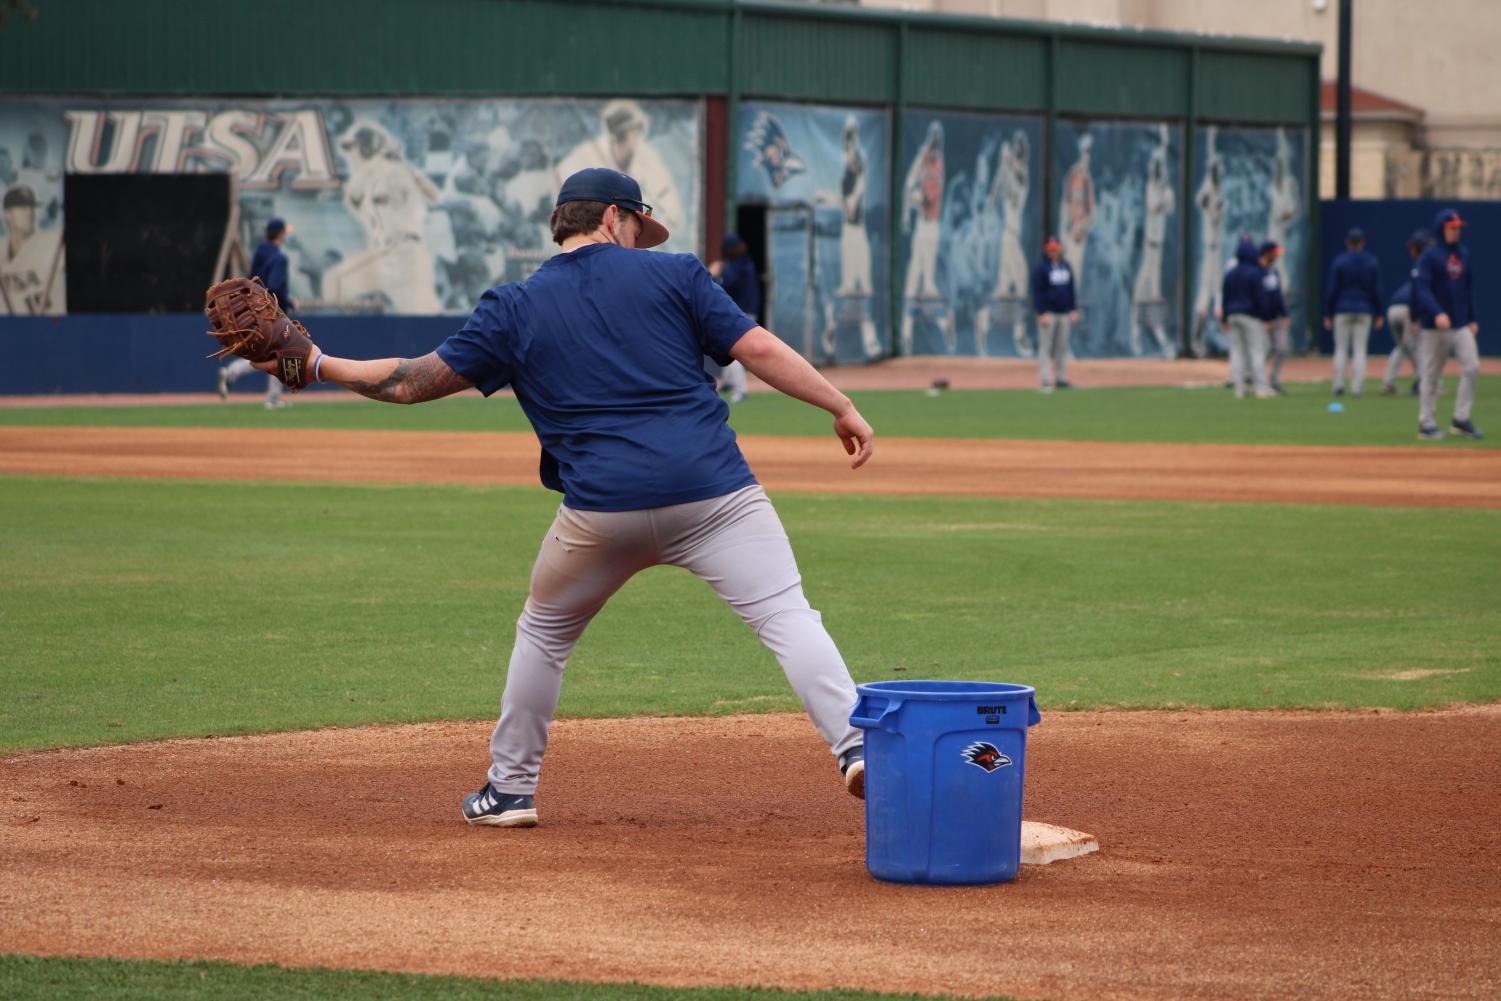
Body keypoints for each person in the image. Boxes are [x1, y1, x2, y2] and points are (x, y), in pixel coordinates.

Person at [250, 168, 875, 826]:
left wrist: (317, 364)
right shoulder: (676, 274)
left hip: (601, 510)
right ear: (613, 216)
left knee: (544, 633)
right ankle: (855, 742)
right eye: (638, 225)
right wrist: (839, 404)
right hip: (714, 494)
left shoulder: (515, 305)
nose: (640, 238)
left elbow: (410, 382)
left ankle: (510, 790)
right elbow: (759, 349)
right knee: (786, 614)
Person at [1412, 208, 1483, 440]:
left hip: (1460, 323)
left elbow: (1469, 287)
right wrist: (1436, 313)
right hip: (1435, 325)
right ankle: (1426, 423)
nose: (1455, 232)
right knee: (1431, 375)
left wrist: (1472, 317)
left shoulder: (1464, 254)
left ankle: (1460, 419)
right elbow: (1422, 289)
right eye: (1452, 228)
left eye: (1458, 228)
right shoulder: (1430, 256)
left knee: (1472, 367)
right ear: (1442, 229)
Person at [219, 218, 296, 409]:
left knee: (271, 354)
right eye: (284, 231)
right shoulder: (279, 258)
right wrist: (289, 303)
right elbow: (276, 287)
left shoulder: (260, 253)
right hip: (273, 313)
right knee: (280, 354)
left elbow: (251, 282)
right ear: (280, 234)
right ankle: (272, 398)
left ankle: (233, 373)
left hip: (255, 310)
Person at [822, 116, 881, 360]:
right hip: (850, 233)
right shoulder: (847, 171)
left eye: (853, 138)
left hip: (858, 232)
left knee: (863, 288)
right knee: (848, 289)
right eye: (848, 139)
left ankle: (871, 343)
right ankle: (831, 333)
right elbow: (846, 200)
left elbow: (857, 192)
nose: (850, 146)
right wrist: (829, 199)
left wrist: (850, 200)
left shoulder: (857, 165)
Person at [976, 131, 1033, 358]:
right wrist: (1003, 162)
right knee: (1020, 282)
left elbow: (1014, 180)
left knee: (1005, 290)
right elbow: (998, 193)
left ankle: (984, 319)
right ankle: (1019, 335)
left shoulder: (1021, 175)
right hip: (1008, 238)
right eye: (1020, 154)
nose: (1021, 160)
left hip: (1012, 238)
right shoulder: (1010, 173)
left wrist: (1006, 160)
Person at [900, 120, 951, 354]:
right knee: (914, 279)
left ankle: (943, 324)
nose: (934, 142)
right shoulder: (924, 157)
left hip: (933, 227)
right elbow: (909, 185)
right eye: (932, 138)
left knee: (928, 284)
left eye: (937, 138)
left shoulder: (938, 162)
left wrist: (917, 198)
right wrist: (907, 212)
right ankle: (906, 333)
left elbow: (930, 197)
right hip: (922, 225)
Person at [1323, 227, 1384, 398]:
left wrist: (1328, 312)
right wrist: (1379, 313)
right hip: (1364, 309)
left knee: (1341, 349)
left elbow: (1332, 290)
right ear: (1362, 242)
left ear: (1348, 242)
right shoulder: (1371, 261)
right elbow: (1376, 290)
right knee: (1360, 350)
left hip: (1342, 308)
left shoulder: (1340, 261)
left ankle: (1338, 386)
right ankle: (1357, 388)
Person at [1131, 133, 1177, 359]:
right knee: (1144, 290)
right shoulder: (1152, 186)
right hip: (1149, 246)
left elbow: (1169, 205)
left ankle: (1148, 334)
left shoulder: (1164, 187)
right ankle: (1141, 333)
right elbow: (1155, 204)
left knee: (1148, 292)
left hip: (1158, 248)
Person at [1219, 236, 1277, 399]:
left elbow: (1225, 297)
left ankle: (1239, 389)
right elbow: (1261, 297)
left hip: (1232, 315)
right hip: (1251, 316)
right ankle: (1261, 388)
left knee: (1237, 353)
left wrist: (1224, 319)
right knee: (1257, 352)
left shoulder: (1231, 273)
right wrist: (1267, 318)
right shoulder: (1254, 272)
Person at [1, 183, 65, 316]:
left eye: (31, 207)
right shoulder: (2, 249)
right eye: (22, 207)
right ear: (8, 214)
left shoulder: (52, 244)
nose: (30, 212)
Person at [1380, 229, 1430, 397]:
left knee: (1402, 347)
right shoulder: (1426, 264)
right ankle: (1422, 383)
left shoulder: (1419, 264)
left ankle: (1388, 382)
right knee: (1419, 349)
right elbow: (1419, 295)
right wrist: (1415, 318)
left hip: (1392, 309)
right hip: (1408, 310)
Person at [708, 232, 757, 403]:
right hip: (747, 311)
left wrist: (713, 274)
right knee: (729, 350)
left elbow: (720, 287)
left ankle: (741, 390)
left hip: (740, 312)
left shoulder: (736, 266)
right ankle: (729, 382)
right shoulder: (746, 262)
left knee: (735, 351)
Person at [1030, 236, 1078, 392]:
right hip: (1049, 313)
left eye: (1055, 248)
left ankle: (1061, 378)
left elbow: (1071, 289)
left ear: (1059, 248)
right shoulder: (1041, 268)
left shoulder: (1066, 266)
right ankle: (1046, 379)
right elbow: (1037, 292)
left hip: (1064, 313)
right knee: (1045, 347)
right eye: (1050, 249)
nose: (1053, 251)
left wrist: (1073, 309)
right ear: (1046, 250)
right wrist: (1041, 312)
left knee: (1062, 347)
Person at [1058, 134, 1096, 297]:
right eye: (1084, 153)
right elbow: (1065, 203)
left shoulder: (1088, 180)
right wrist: (1064, 229)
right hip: (1067, 233)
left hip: (1078, 236)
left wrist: (1082, 225)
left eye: (1088, 154)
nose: (1086, 157)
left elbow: (1092, 214)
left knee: (1075, 275)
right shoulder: (1073, 175)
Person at [1257, 241, 1290, 394]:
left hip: (1276, 318)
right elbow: (1257, 297)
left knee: (1281, 348)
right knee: (1262, 351)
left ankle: (1274, 380)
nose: (1276, 256)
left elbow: (1277, 295)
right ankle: (1259, 381)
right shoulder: (1256, 271)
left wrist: (1284, 313)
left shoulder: (1272, 271)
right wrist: (1264, 318)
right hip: (1261, 319)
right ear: (1267, 253)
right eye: (1274, 253)